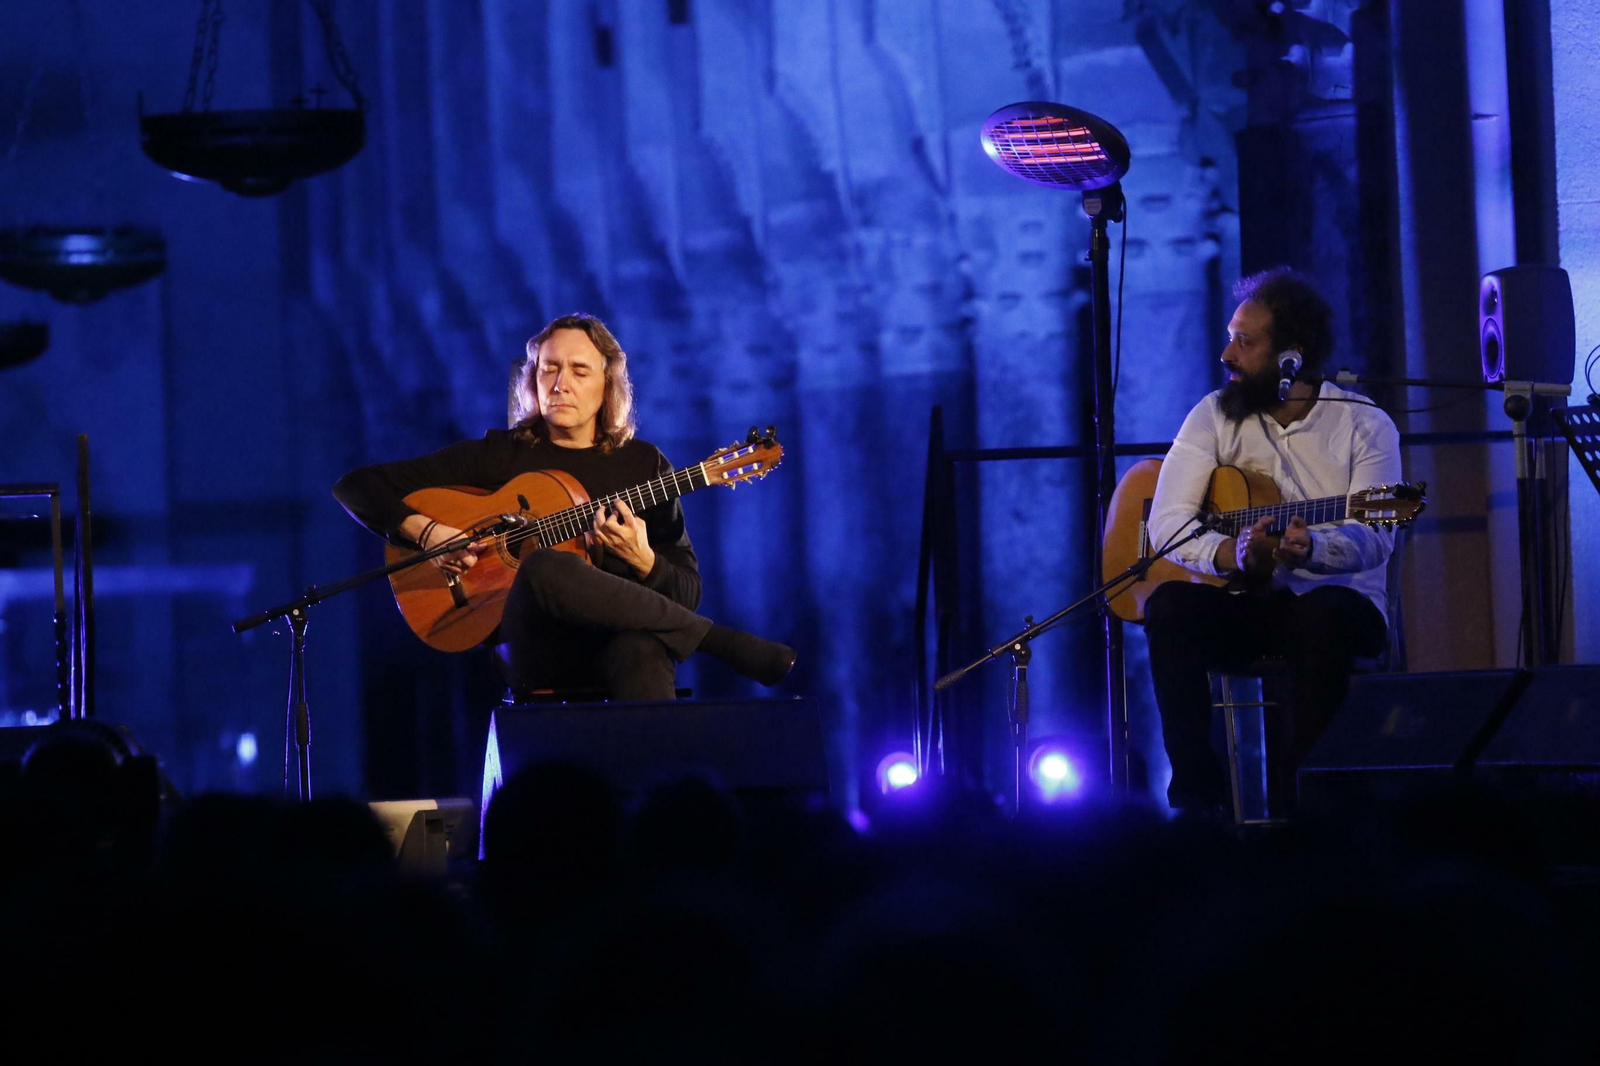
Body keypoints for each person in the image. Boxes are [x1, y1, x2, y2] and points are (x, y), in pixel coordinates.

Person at [333, 313, 794, 700]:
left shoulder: (644, 465)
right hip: (535, 644)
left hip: (616, 641)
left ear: (607, 385)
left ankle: (657, 794)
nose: (560, 384)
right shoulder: (503, 454)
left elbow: (686, 592)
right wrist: (428, 532)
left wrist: (646, 561)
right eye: (548, 369)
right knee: (544, 567)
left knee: (641, 651)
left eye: (579, 370)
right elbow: (356, 486)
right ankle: (719, 641)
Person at [1143, 268, 1400, 814]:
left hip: (1340, 606)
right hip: (1249, 604)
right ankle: (1198, 802)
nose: (1226, 354)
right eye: (1231, 336)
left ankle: (1304, 805)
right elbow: (1167, 524)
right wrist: (1226, 555)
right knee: (1167, 606)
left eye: (1244, 341)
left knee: (1321, 615)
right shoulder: (1212, 416)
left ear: (1291, 358)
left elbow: (1379, 532)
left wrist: (1315, 550)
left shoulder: (1365, 424)